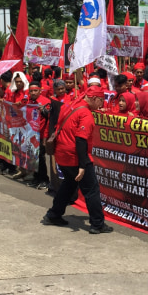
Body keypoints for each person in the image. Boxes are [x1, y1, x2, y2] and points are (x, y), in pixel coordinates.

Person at [42, 86, 113, 234]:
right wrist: (83, 165)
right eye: (101, 100)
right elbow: (81, 140)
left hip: (62, 154)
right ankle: (97, 224)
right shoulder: (85, 114)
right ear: (94, 98)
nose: (102, 105)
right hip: (75, 156)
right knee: (91, 190)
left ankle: (54, 214)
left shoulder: (72, 105)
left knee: (68, 184)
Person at [26, 81, 52, 188]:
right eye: (31, 91)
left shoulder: (45, 102)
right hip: (30, 133)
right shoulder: (27, 101)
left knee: (40, 157)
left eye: (35, 91)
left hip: (41, 134)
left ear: (40, 91)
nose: (33, 93)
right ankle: (36, 178)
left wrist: (44, 110)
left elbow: (50, 116)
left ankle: (44, 179)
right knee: (33, 157)